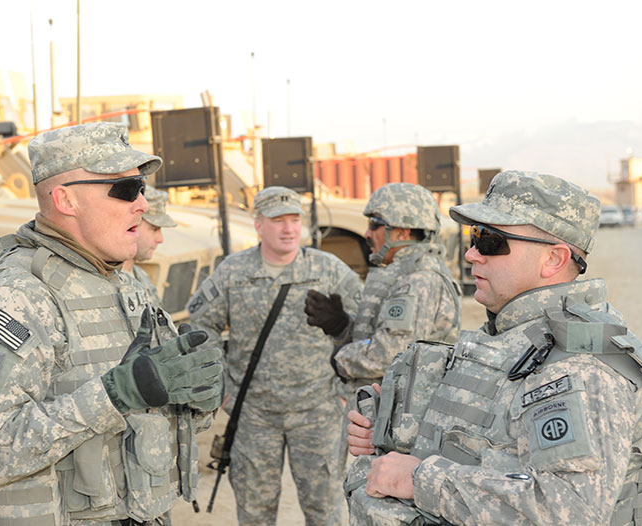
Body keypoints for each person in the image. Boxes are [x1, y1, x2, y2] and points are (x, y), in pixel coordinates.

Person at [0, 122, 224, 526]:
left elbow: (146, 409)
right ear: (65, 199)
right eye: (124, 190)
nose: (141, 204)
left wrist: (191, 399)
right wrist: (116, 395)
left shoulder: (124, 284)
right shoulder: (18, 298)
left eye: (140, 188)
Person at [345, 170, 642, 525]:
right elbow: (492, 446)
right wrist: (393, 436)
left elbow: (568, 510)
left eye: (489, 240)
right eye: (473, 236)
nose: (471, 254)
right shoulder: (514, 335)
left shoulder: (579, 366)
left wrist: (420, 478)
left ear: (554, 260)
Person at [186, 186, 363, 526]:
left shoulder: (328, 269)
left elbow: (364, 329)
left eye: (295, 220)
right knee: (255, 514)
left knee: (325, 512)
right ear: (258, 225)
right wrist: (220, 387)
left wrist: (346, 392)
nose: (288, 229)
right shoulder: (233, 272)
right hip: (253, 415)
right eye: (278, 220)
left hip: (318, 413)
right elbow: (201, 329)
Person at [305, 182, 462, 400]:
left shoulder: (419, 280)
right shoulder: (402, 274)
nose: (367, 233)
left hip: (400, 419)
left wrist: (341, 359)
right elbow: (380, 338)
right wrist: (342, 326)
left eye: (375, 224)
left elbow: (389, 353)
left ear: (401, 232)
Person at [122, 185, 177, 306]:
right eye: (154, 229)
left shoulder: (141, 276)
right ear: (133, 225)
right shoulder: (109, 281)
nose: (160, 239)